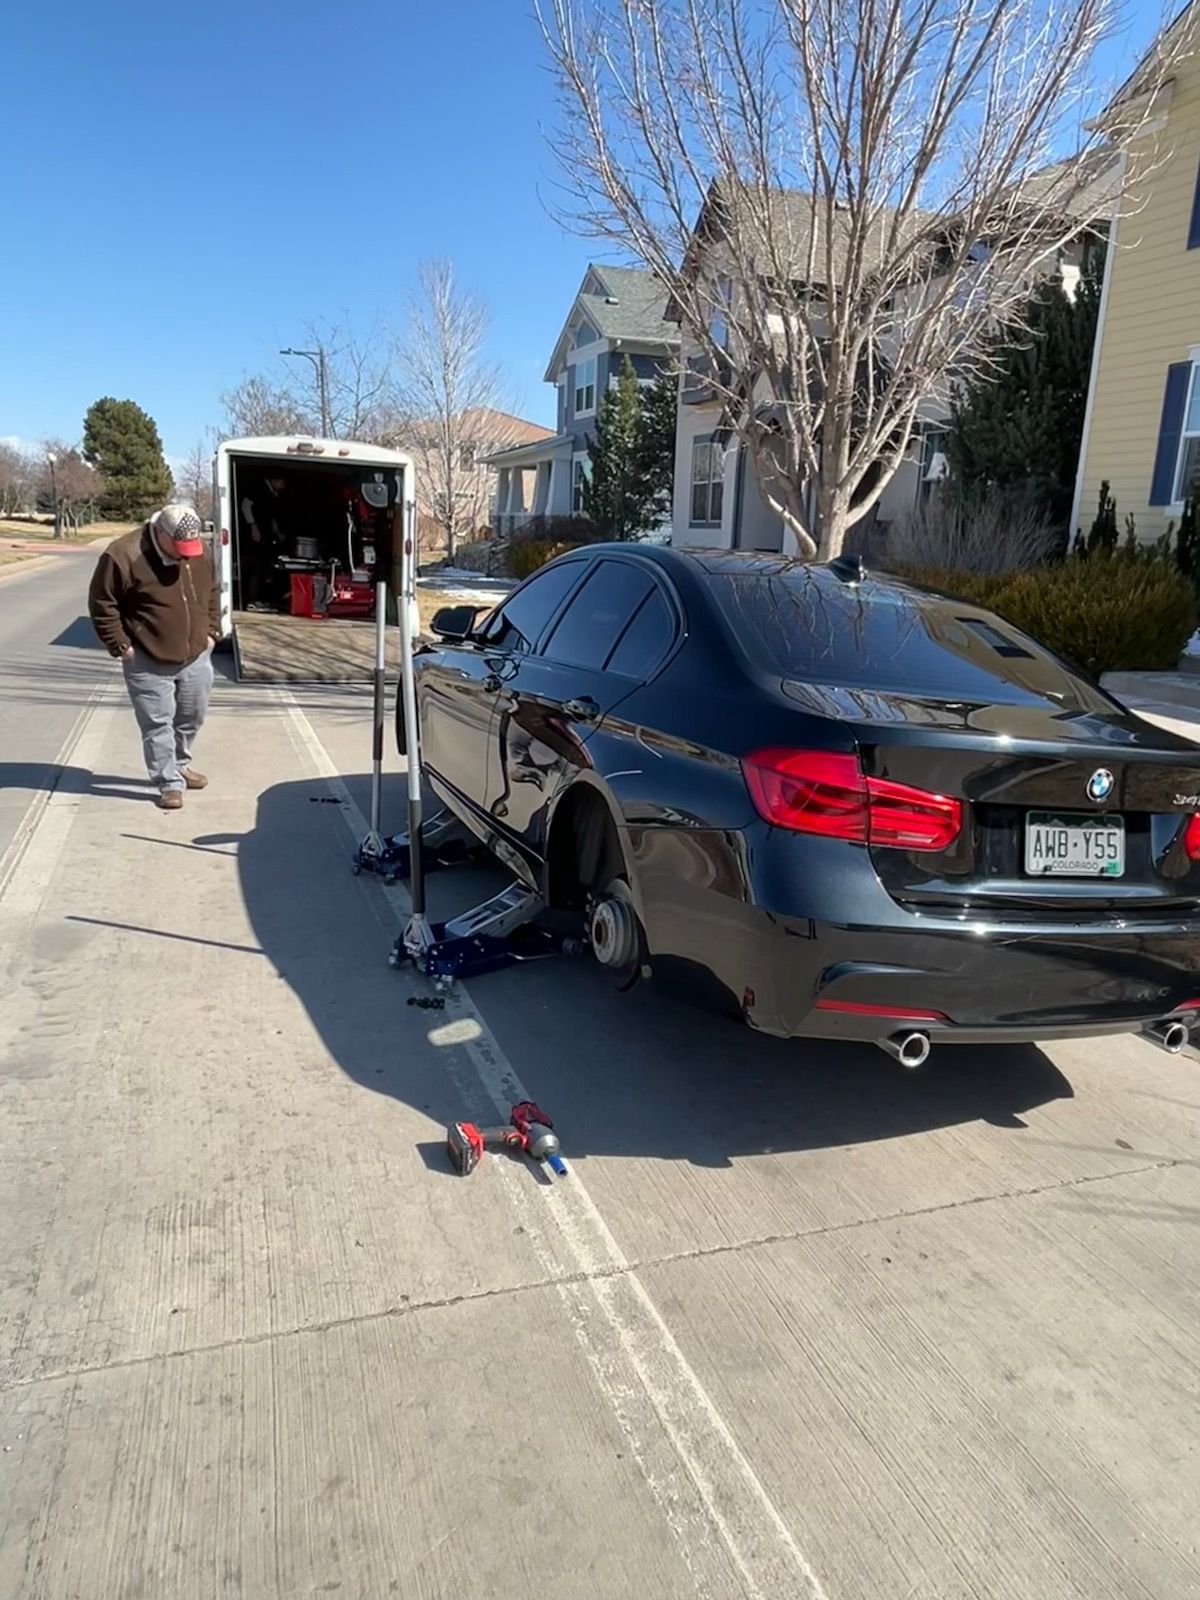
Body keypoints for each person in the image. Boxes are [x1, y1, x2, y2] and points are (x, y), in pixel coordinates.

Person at [88, 504, 218, 811]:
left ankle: (181, 765)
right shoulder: (123, 555)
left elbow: (211, 590)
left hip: (196, 653)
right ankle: (168, 782)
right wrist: (121, 646)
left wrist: (211, 630)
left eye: (192, 547)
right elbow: (102, 604)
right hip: (147, 657)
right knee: (157, 724)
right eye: (180, 548)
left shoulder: (199, 551)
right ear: (160, 532)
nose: (186, 555)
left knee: (191, 716)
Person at [240, 474, 287, 609]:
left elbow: (269, 517)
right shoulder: (258, 488)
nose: (283, 487)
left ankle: (257, 599)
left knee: (263, 567)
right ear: (274, 479)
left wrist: (277, 533)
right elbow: (245, 505)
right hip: (254, 536)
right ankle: (250, 600)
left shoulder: (271, 494)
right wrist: (253, 526)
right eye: (282, 483)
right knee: (255, 566)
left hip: (264, 537)